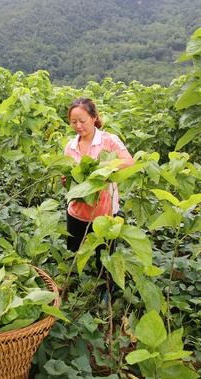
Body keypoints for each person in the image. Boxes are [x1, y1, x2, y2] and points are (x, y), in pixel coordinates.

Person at [64, 98, 134, 273]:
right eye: (73, 122)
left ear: (94, 117)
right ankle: (75, 288)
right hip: (77, 212)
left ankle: (106, 291)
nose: (78, 126)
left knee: (105, 259)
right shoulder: (70, 147)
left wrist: (100, 168)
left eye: (82, 121)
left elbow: (128, 162)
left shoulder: (108, 140)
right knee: (75, 255)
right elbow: (67, 178)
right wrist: (67, 180)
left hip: (104, 213)